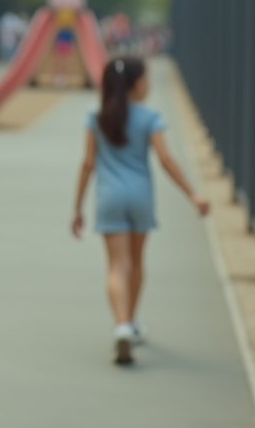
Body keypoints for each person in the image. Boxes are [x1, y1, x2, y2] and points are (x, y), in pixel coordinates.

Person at [70, 56, 210, 365]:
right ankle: (131, 321)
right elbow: (166, 160)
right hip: (141, 198)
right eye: (146, 79)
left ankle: (121, 324)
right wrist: (193, 195)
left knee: (117, 265)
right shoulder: (150, 118)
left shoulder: (96, 117)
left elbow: (88, 164)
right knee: (136, 263)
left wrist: (77, 207)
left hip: (109, 199)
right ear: (136, 84)